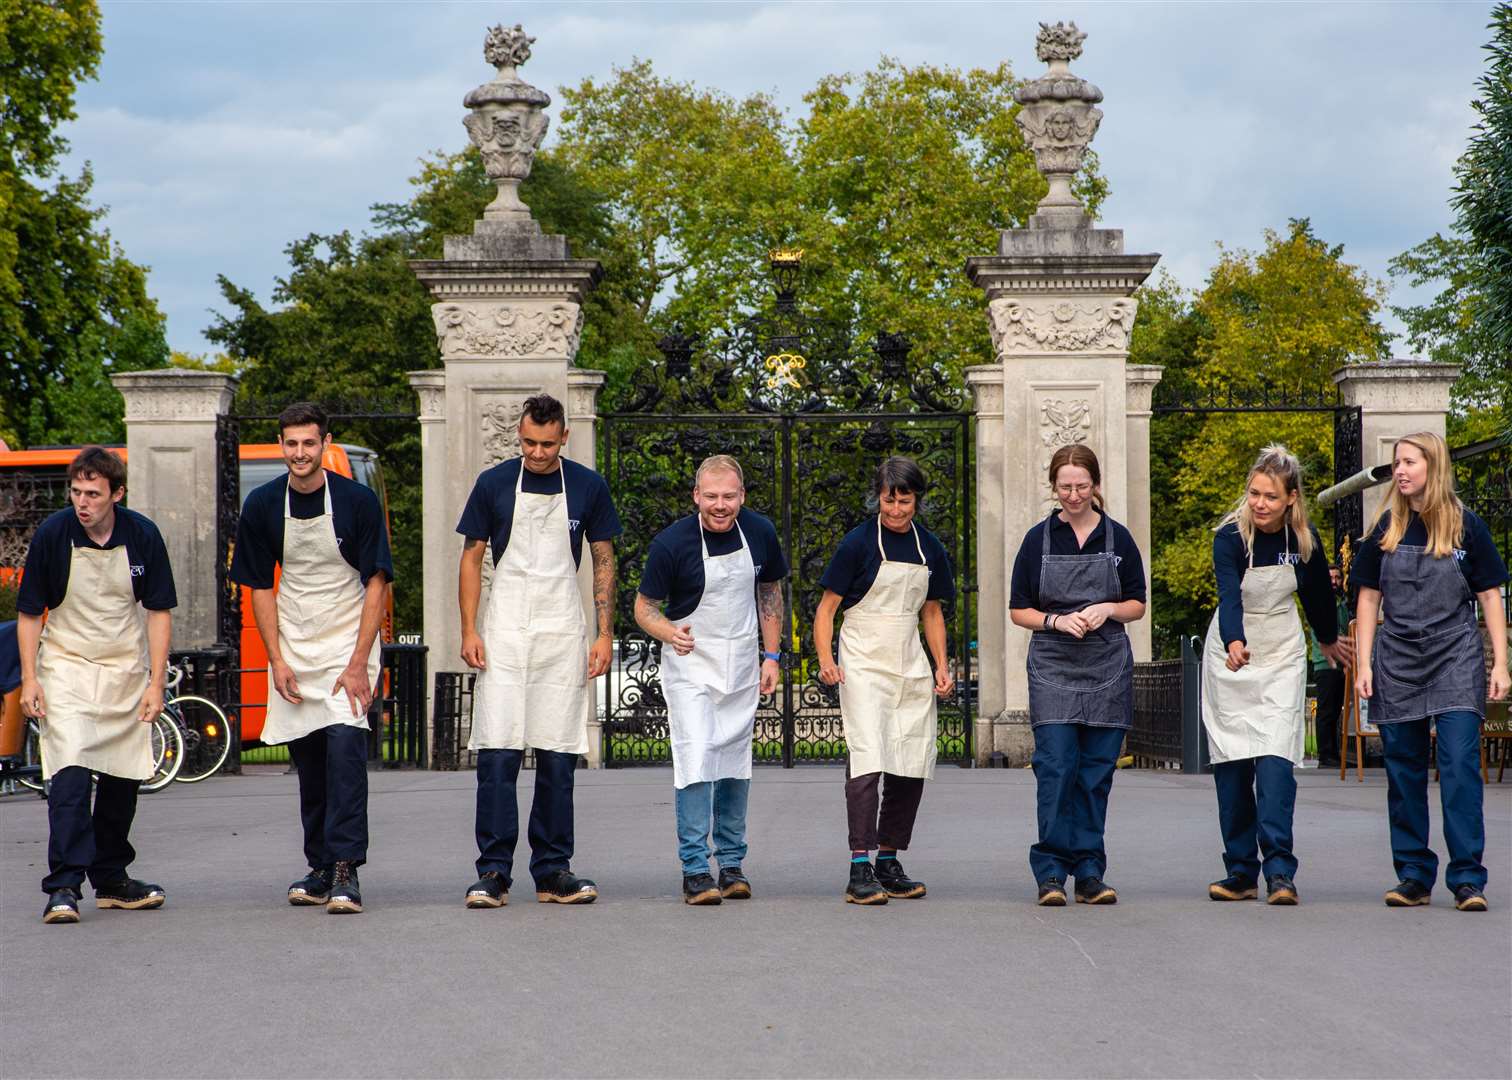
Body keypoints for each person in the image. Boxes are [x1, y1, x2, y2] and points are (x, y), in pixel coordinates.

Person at [456, 393, 621, 907]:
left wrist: (604, 633)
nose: (537, 452)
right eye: (528, 442)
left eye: (547, 444)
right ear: (520, 436)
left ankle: (552, 870)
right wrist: (468, 629)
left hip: (560, 631)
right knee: (498, 753)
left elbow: (603, 559)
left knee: (557, 754)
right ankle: (493, 873)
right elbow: (471, 555)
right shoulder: (494, 483)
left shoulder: (589, 487)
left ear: (564, 438)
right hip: (504, 630)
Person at [231, 403, 392, 914]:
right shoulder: (260, 505)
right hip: (297, 644)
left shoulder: (357, 502)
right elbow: (258, 587)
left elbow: (377, 583)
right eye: (291, 444)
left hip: (350, 640)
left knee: (345, 754)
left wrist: (359, 660)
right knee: (311, 763)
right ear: (282, 446)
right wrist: (276, 659)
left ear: (325, 444)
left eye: (309, 443)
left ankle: (346, 870)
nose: (299, 453)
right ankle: (320, 867)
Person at [17, 447, 176, 924]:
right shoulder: (53, 535)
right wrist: (30, 678)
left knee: (122, 777)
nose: (81, 502)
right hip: (66, 666)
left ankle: (112, 878)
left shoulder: (143, 536)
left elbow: (159, 612)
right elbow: (29, 614)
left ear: (117, 494)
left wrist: (156, 683)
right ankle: (64, 885)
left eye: (92, 494)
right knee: (68, 771)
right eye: (76, 492)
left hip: (125, 669)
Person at [1352, 431, 1509, 912]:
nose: (1400, 471)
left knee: (1460, 764)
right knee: (1403, 772)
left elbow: (1489, 596)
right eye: (1397, 463)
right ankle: (1414, 876)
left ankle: (1467, 878)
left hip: (1456, 657)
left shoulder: (1467, 527)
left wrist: (1501, 662)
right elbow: (1368, 598)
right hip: (1397, 660)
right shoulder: (1385, 530)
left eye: (1409, 463)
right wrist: (1363, 663)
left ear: (1432, 467)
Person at [1201, 446, 1351, 906]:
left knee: (1275, 765)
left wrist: (1328, 638)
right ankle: (1240, 871)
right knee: (1232, 767)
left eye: (1269, 496)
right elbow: (1229, 595)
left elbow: (1317, 599)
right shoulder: (1229, 536)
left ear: (1290, 499)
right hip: (1231, 653)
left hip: (1282, 651)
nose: (1259, 503)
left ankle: (1280, 872)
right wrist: (1234, 641)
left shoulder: (1303, 541)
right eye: (1253, 494)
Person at [635, 455, 787, 905]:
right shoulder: (671, 543)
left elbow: (770, 592)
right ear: (696, 496)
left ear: (742, 496)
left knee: (736, 761)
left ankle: (733, 864)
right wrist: (669, 633)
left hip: (741, 663)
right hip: (691, 667)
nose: (720, 506)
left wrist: (772, 656)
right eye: (712, 496)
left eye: (729, 496)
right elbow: (644, 608)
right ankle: (696, 870)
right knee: (696, 755)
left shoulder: (760, 533)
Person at [814, 457, 955, 905]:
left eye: (905, 500)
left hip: (909, 660)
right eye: (889, 499)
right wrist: (826, 660)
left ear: (917, 500)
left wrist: (941, 664)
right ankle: (860, 865)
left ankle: (888, 860)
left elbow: (931, 612)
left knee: (910, 760)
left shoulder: (929, 547)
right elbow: (826, 610)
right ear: (879, 496)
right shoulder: (857, 543)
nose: (895, 509)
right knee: (868, 758)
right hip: (862, 661)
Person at [1009, 445, 1146, 907]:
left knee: (1094, 774)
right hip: (1052, 665)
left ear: (1096, 486)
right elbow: (1018, 609)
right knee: (1056, 768)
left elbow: (1137, 604)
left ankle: (1089, 871)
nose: (1073, 495)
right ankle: (1050, 871)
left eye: (1082, 486)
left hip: (1107, 663)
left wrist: (1107, 608)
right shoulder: (1037, 540)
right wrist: (1053, 620)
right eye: (1065, 486)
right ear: (1054, 487)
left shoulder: (1118, 538)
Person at [1307, 565, 1351, 770]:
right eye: (1330, 577)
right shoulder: (1319, 601)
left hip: (1342, 663)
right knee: (1326, 710)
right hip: (1325, 662)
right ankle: (1326, 755)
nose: (1334, 581)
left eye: (1337, 577)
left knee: (1336, 710)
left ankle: (1335, 753)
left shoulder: (1343, 602)